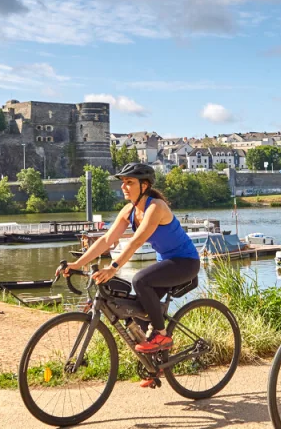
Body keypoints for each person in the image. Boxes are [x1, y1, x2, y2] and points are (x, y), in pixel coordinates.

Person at [64, 162, 200, 385]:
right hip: (165, 262)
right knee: (139, 308)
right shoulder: (128, 211)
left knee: (140, 280)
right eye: (123, 183)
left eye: (129, 183)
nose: (124, 187)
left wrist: (113, 267)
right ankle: (155, 367)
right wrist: (76, 264)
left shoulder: (156, 207)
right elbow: (106, 240)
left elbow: (137, 241)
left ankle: (161, 335)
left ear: (144, 185)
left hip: (185, 262)